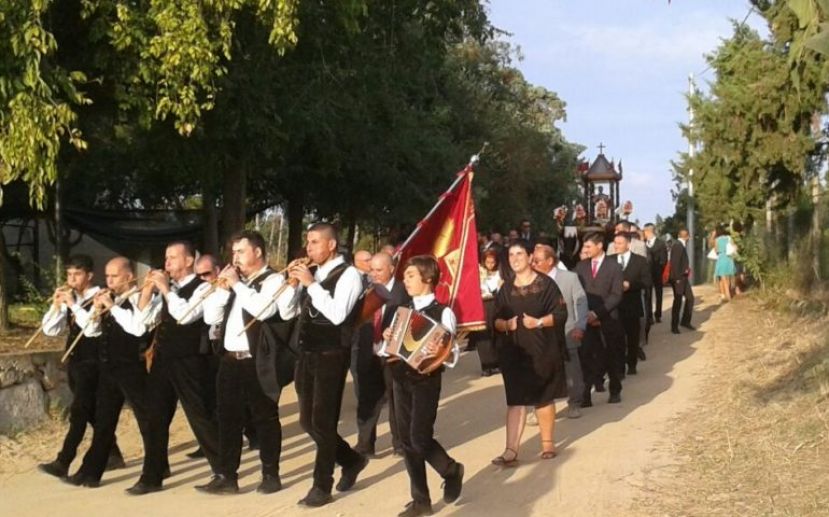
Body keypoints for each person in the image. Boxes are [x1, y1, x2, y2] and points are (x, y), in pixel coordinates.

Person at [197, 230, 298, 495]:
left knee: (264, 417)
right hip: (230, 360)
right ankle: (226, 475)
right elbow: (210, 318)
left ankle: (270, 474)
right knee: (227, 419)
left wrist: (238, 286)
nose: (236, 258)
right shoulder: (235, 282)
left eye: (241, 251)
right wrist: (221, 291)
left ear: (258, 252)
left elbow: (264, 310)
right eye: (233, 253)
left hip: (257, 360)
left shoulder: (274, 279)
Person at [288, 223, 369, 507]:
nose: (309, 248)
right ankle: (351, 459)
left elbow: (336, 314)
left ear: (331, 245)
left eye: (315, 242)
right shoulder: (316, 273)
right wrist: (295, 284)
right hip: (307, 353)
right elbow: (293, 311)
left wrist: (312, 284)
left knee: (323, 422)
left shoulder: (349, 275)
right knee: (307, 422)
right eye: (308, 242)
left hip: (332, 354)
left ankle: (322, 485)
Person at [132, 241, 220, 495]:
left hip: (189, 360)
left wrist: (164, 289)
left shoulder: (204, 287)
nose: (167, 263)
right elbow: (142, 324)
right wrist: (148, 293)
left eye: (172, 258)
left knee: (199, 415)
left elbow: (185, 315)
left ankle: (224, 470)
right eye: (166, 258)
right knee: (154, 416)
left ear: (189, 260)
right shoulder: (166, 290)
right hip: (163, 359)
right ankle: (152, 475)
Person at [65, 257, 159, 488]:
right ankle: (90, 472)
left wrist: (113, 306)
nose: (109, 281)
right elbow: (91, 332)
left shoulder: (142, 297)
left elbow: (136, 328)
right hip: (108, 369)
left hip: (132, 369)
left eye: (114, 276)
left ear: (128, 276)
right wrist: (95, 309)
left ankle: (154, 472)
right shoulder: (110, 299)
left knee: (147, 421)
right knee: (104, 422)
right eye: (107, 276)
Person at [381, 255, 464, 517]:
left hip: (426, 380)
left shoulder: (443, 312)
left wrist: (438, 349)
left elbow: (452, 354)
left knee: (419, 437)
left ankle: (450, 470)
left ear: (428, 279)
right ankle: (421, 500)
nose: (405, 281)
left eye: (411, 276)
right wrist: (388, 338)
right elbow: (388, 349)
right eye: (405, 276)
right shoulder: (401, 310)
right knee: (406, 440)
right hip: (400, 377)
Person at [38, 255, 125, 479]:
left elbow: (90, 328)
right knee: (91, 413)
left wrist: (73, 305)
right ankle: (112, 454)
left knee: (78, 412)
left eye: (77, 274)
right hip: (75, 361)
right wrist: (56, 306)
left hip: (94, 362)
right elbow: (50, 330)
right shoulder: (72, 299)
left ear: (89, 275)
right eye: (69, 274)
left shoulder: (101, 296)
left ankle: (63, 460)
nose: (72, 279)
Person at [492, 241, 568, 466]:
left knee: (543, 397)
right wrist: (506, 326)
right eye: (511, 255)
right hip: (514, 351)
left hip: (542, 349)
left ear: (529, 257)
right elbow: (494, 320)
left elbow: (561, 314)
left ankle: (547, 444)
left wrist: (539, 322)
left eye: (519, 254)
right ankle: (510, 450)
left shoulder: (545, 284)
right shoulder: (505, 289)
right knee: (515, 400)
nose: (515, 258)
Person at [356, 251, 410, 457]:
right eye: (371, 270)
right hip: (368, 351)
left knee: (396, 398)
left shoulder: (403, 292)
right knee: (367, 399)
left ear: (392, 269)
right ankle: (365, 444)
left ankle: (400, 443)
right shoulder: (365, 290)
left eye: (379, 270)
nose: (374, 274)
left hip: (392, 353)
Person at [532, 244, 588, 419]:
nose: (533, 263)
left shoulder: (570, 278)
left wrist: (580, 325)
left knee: (571, 369)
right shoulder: (532, 280)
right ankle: (541, 407)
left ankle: (574, 402)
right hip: (541, 334)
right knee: (542, 370)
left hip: (567, 330)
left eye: (537, 260)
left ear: (549, 261)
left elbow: (580, 301)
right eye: (533, 260)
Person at [574, 233, 625, 405]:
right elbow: (576, 292)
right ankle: (586, 394)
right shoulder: (580, 267)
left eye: (588, 246)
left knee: (611, 355)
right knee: (586, 357)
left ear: (599, 246)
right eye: (584, 247)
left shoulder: (614, 267)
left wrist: (597, 314)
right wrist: (585, 314)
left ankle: (615, 390)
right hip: (585, 319)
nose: (585, 250)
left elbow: (616, 295)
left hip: (608, 318)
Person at [610, 234, 652, 375]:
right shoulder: (609, 261)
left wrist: (631, 285)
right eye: (615, 243)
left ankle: (632, 363)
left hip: (632, 305)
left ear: (628, 244)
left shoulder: (640, 261)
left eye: (620, 243)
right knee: (617, 339)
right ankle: (619, 367)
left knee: (632, 337)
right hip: (614, 307)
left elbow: (647, 282)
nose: (616, 246)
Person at [474, 250, 502, 376]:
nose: (490, 264)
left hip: (495, 303)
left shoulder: (499, 273)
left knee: (496, 333)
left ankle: (496, 363)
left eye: (492, 262)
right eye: (488, 262)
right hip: (481, 304)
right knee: (482, 335)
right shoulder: (478, 272)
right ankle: (486, 365)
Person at [669, 229, 696, 334]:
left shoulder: (679, 245)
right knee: (678, 301)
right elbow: (675, 263)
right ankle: (674, 326)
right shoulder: (678, 246)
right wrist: (678, 279)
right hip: (679, 279)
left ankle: (685, 321)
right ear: (687, 236)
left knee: (690, 298)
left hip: (682, 278)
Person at [644, 223, 667, 323]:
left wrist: (660, 270)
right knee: (648, 294)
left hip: (657, 272)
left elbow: (664, 259)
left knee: (659, 293)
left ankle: (658, 314)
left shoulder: (660, 243)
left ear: (648, 231)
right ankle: (649, 316)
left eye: (644, 231)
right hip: (647, 273)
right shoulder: (644, 243)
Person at [713, 225, 737, 302]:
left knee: (722, 277)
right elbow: (733, 247)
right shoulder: (729, 238)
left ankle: (727, 294)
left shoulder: (717, 240)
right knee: (727, 276)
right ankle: (725, 294)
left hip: (721, 257)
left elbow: (716, 251)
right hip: (729, 257)